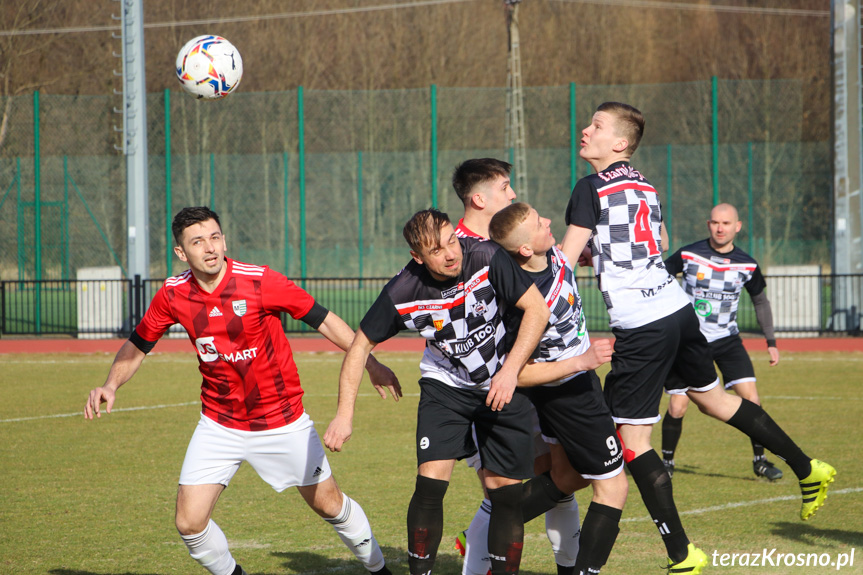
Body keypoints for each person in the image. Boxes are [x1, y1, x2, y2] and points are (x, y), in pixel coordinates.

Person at [559, 102, 836, 574]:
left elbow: (563, 262)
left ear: (619, 143)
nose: (585, 130)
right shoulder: (645, 183)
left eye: (597, 126)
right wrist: (599, 255)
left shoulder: (589, 187)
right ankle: (807, 467)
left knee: (631, 441)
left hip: (642, 324)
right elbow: (655, 241)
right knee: (714, 399)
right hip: (677, 309)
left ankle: (681, 552)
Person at [85, 206, 399, 575]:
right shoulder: (172, 294)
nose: (210, 247)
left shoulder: (260, 281)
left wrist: (372, 365)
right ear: (181, 253)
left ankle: (379, 569)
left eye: (215, 237)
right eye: (198, 241)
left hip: (282, 421)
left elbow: (323, 319)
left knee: (329, 505)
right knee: (189, 522)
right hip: (220, 424)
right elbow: (138, 345)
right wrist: (111, 383)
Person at [323, 208, 553, 575]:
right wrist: (344, 415)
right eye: (437, 250)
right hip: (446, 386)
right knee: (430, 485)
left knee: (506, 494)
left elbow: (536, 311)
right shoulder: (402, 291)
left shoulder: (486, 255)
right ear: (418, 257)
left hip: (502, 382)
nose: (451, 253)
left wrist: (510, 372)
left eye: (451, 241)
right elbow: (359, 347)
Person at [451, 158, 591, 575]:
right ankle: (480, 550)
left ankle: (566, 565)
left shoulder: (508, 245)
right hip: (484, 391)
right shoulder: (455, 251)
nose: (513, 195)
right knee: (502, 493)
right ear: (480, 199)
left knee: (563, 475)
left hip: (530, 380)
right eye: (505, 187)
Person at [488, 202, 627, 575]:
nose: (547, 221)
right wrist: (580, 362)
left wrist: (583, 254)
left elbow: (571, 257)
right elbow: (518, 374)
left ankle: (487, 533)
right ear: (524, 250)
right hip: (570, 395)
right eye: (538, 223)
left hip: (575, 388)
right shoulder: (524, 306)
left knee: (566, 477)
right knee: (614, 489)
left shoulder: (556, 257)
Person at [661, 203, 783, 481]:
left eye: (726, 223)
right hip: (690, 341)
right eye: (715, 222)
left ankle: (760, 461)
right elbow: (659, 278)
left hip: (727, 340)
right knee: (678, 405)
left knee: (751, 398)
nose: (720, 228)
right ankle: (667, 463)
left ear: (737, 227)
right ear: (708, 224)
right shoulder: (689, 254)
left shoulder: (748, 263)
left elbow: (760, 302)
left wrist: (771, 341)